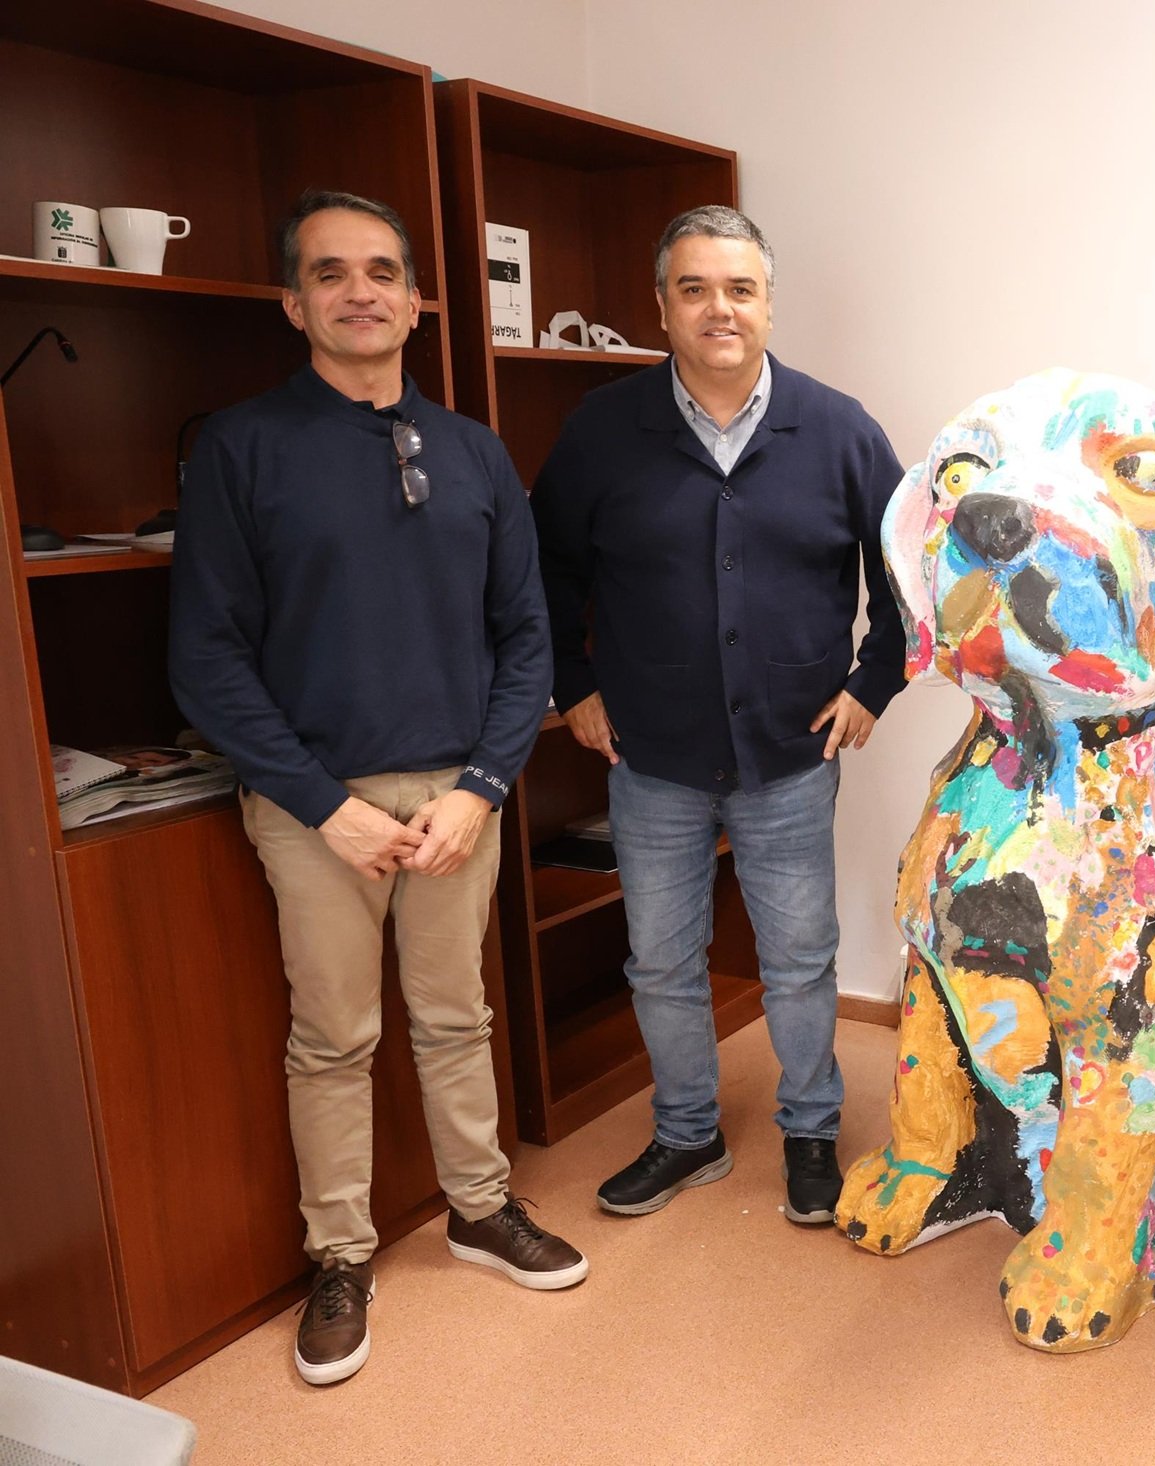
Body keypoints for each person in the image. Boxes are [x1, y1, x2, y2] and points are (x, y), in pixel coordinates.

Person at [169, 190, 588, 1388]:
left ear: (415, 299)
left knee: (459, 1015)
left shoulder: (471, 449)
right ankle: (340, 1254)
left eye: (384, 272)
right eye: (332, 273)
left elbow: (527, 636)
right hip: (318, 805)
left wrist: (481, 786)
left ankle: (477, 1206)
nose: (363, 291)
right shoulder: (242, 450)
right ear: (294, 302)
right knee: (334, 1035)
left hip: (458, 792)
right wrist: (321, 802)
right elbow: (205, 654)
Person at [531, 206, 905, 1226]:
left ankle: (812, 1127)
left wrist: (872, 683)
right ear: (661, 308)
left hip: (791, 751)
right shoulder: (605, 429)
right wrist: (575, 684)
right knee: (659, 955)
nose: (718, 308)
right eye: (694, 289)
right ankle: (686, 1132)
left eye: (739, 288)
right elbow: (546, 568)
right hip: (650, 753)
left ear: (769, 303)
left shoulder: (839, 430)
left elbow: (912, 570)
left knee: (797, 954)